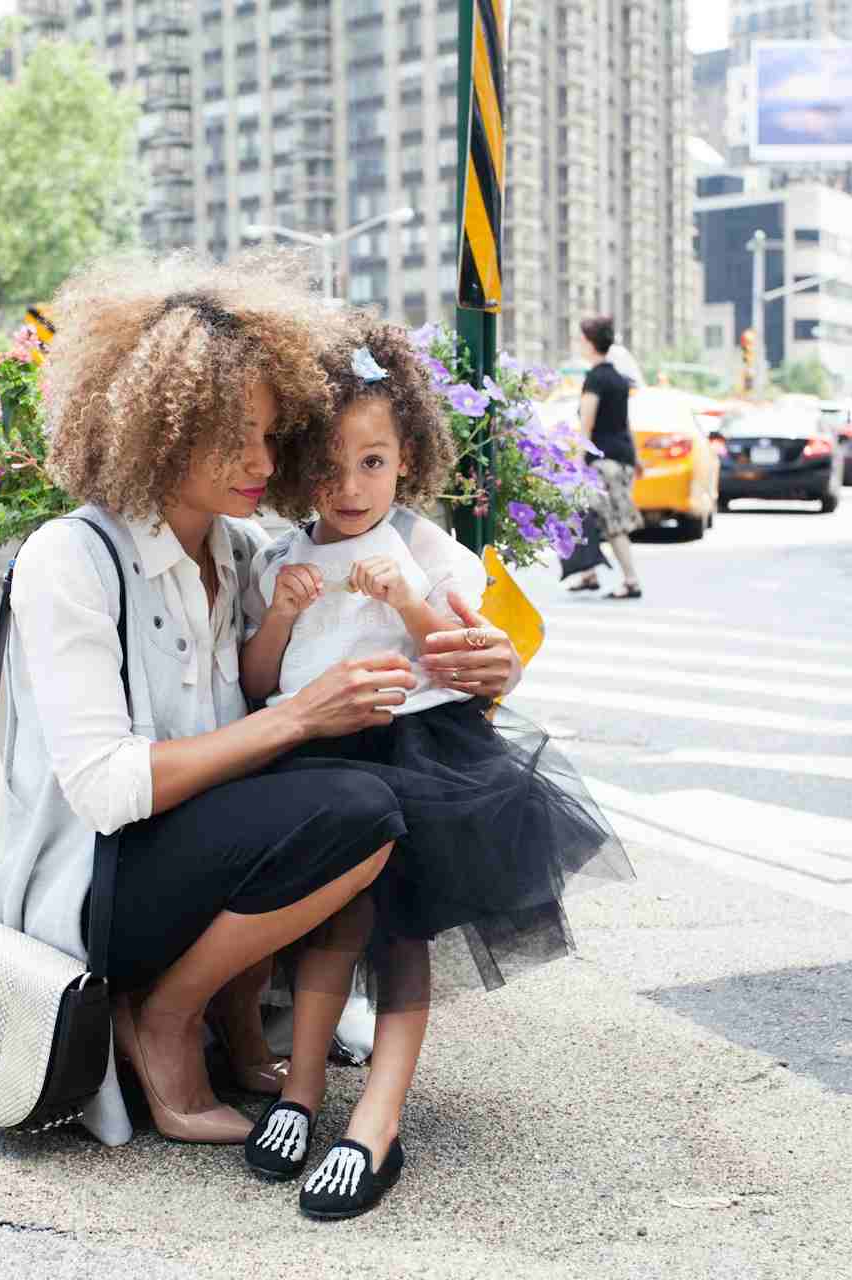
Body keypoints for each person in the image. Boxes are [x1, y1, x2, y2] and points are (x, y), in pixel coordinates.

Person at [0, 252, 527, 1154]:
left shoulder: (246, 554)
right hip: (100, 888)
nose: (262, 461)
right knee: (357, 806)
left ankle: (237, 1027)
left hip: (201, 865)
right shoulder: (70, 559)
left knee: (368, 795)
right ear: (158, 432)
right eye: (230, 436)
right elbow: (106, 790)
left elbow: (384, 631)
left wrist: (493, 665)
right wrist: (298, 716)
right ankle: (163, 1016)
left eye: (273, 436)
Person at [237, 318, 634, 1219]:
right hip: (316, 755)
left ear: (406, 457)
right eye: (330, 468)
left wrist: (408, 601)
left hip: (420, 757)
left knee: (400, 931)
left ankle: (378, 1116)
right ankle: (301, 1092)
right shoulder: (282, 556)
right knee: (326, 927)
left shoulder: (427, 549)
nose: (349, 487)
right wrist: (281, 619)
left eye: (371, 464)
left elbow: (467, 655)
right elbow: (260, 682)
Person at [577, 315, 644, 600]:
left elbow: (587, 423)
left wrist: (580, 459)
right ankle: (588, 574)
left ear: (590, 343)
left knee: (613, 522)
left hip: (603, 461)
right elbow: (625, 423)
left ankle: (631, 581)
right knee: (586, 515)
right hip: (623, 458)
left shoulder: (595, 378)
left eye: (581, 339)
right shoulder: (618, 378)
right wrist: (637, 458)